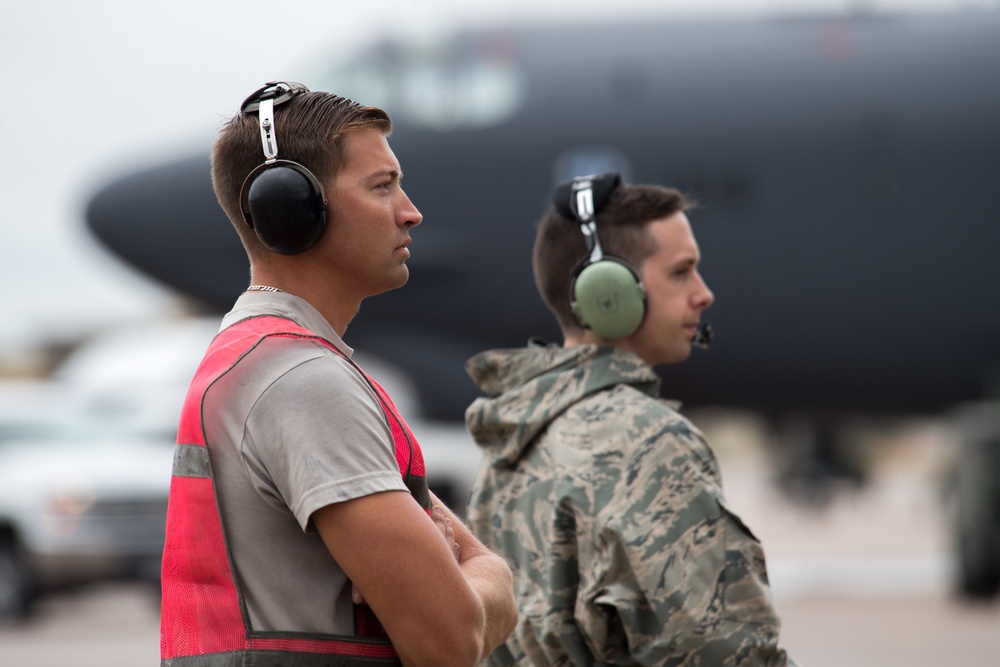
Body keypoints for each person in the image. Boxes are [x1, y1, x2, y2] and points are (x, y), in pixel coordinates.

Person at [159, 81, 517, 667]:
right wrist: (487, 569)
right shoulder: (302, 381)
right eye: (382, 187)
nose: (412, 212)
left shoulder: (253, 357)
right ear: (292, 211)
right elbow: (453, 639)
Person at [464, 172, 796, 666]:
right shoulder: (651, 443)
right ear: (610, 293)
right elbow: (725, 653)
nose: (703, 294)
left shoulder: (511, 442)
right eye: (682, 272)